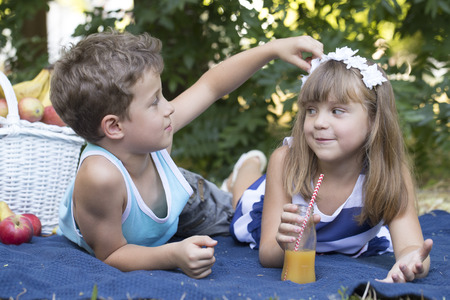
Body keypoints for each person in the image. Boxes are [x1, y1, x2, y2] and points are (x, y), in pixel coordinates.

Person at [51, 30, 323, 279]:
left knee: (245, 212)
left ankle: (243, 173)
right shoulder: (100, 178)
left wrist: (272, 49)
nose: (169, 108)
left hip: (185, 199)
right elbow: (111, 254)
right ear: (114, 126)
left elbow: (211, 86)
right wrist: (173, 255)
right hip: (138, 226)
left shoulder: (151, 130)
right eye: (155, 101)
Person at [229, 47, 433, 283]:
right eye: (311, 110)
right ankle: (247, 165)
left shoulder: (390, 173)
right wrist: (284, 243)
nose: (319, 122)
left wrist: (411, 262)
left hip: (341, 232)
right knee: (241, 200)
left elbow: (410, 246)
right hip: (272, 204)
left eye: (337, 111)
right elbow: (268, 255)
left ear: (373, 119)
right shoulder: (285, 161)